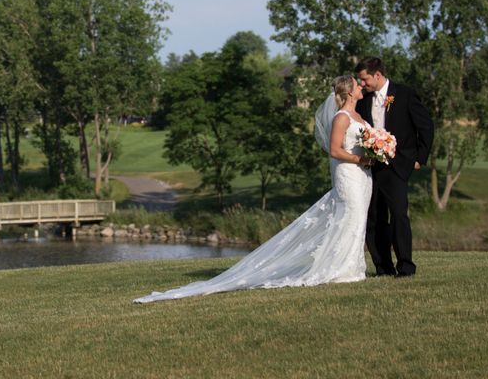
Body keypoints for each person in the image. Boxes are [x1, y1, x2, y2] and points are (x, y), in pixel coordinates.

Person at [134, 75, 373, 303]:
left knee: (358, 219)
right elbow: (334, 151)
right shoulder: (341, 117)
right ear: (349, 91)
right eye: (357, 84)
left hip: (364, 176)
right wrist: (361, 160)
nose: (361, 86)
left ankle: (352, 266)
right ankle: (342, 269)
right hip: (349, 175)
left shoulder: (357, 115)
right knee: (349, 218)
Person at [354, 57, 434, 277]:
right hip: (372, 167)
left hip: (398, 165)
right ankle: (383, 267)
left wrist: (419, 157)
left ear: (377, 75)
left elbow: (426, 125)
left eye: (364, 79)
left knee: (399, 215)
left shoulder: (405, 94)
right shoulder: (364, 100)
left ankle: (406, 266)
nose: (362, 84)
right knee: (374, 218)